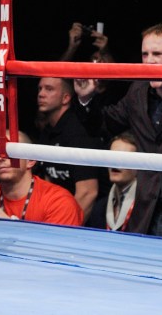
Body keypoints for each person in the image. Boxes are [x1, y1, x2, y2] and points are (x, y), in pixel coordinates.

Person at [93, 23, 162, 239]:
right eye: (145, 54)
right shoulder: (138, 90)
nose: (149, 61)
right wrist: (88, 98)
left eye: (157, 54)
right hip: (146, 214)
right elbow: (107, 125)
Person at [33, 76, 102, 221]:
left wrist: (63, 229)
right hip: (58, 212)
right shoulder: (47, 132)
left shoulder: (78, 131)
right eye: (40, 88)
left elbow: (88, 193)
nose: (41, 94)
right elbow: (49, 181)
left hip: (88, 223)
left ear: (65, 98)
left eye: (49, 89)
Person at [85, 131, 138, 232]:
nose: (115, 163)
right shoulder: (99, 207)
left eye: (124, 158)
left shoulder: (148, 208)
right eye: (112, 157)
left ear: (140, 165)